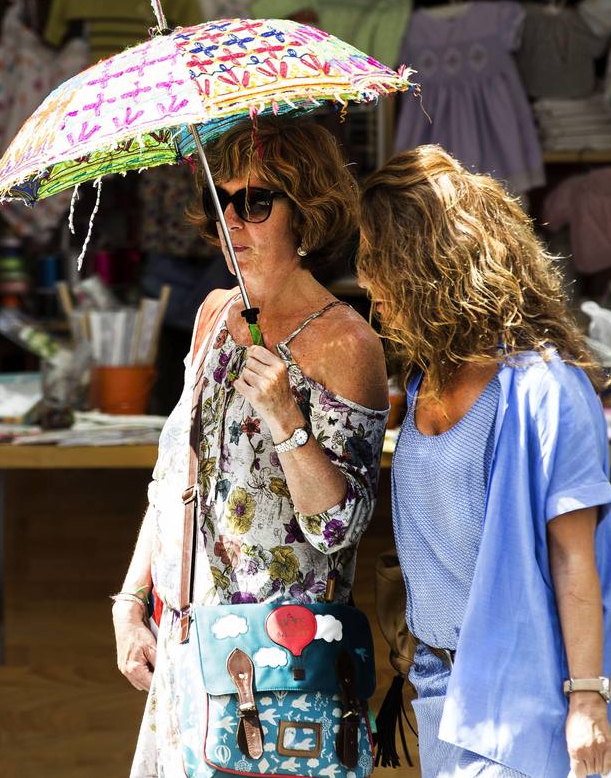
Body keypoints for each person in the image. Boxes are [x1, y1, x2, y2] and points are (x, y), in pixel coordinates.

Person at [112, 117, 389, 776]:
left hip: (279, 677)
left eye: (256, 202)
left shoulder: (347, 344)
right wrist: (130, 605)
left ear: (308, 210)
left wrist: (285, 417)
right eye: (220, 201)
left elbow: (340, 528)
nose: (232, 220)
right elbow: (172, 476)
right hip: (186, 656)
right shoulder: (213, 315)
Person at [356, 144, 611, 778]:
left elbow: (574, 557)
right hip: (437, 686)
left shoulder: (545, 389)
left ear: (425, 264)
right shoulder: (423, 383)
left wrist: (588, 698)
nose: (364, 279)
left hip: (524, 698)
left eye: (376, 258)